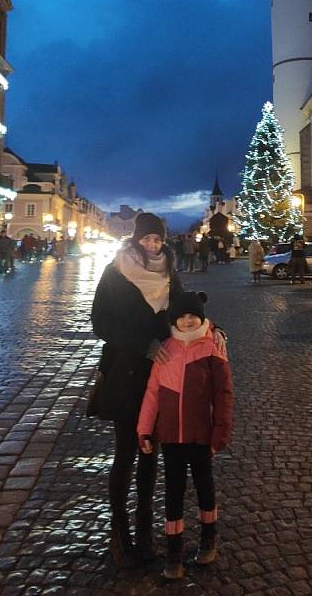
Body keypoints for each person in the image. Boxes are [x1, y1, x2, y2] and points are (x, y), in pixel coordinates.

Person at [91, 213, 227, 568]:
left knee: (151, 454)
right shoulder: (115, 271)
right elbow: (100, 322)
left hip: (162, 376)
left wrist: (214, 329)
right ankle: (120, 533)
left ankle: (145, 531)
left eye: (157, 239)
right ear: (136, 239)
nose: (152, 245)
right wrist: (143, 345)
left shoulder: (169, 269)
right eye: (146, 239)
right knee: (125, 454)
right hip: (126, 372)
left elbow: (186, 310)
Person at [137, 291, 233, 580]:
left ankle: (208, 537)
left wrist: (221, 432)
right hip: (171, 436)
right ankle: (174, 551)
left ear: (201, 318)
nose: (188, 321)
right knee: (173, 491)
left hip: (201, 434)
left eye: (193, 315)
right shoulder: (166, 349)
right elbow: (153, 392)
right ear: (174, 319)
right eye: (182, 316)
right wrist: (144, 429)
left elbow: (224, 394)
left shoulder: (212, 347)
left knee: (204, 486)